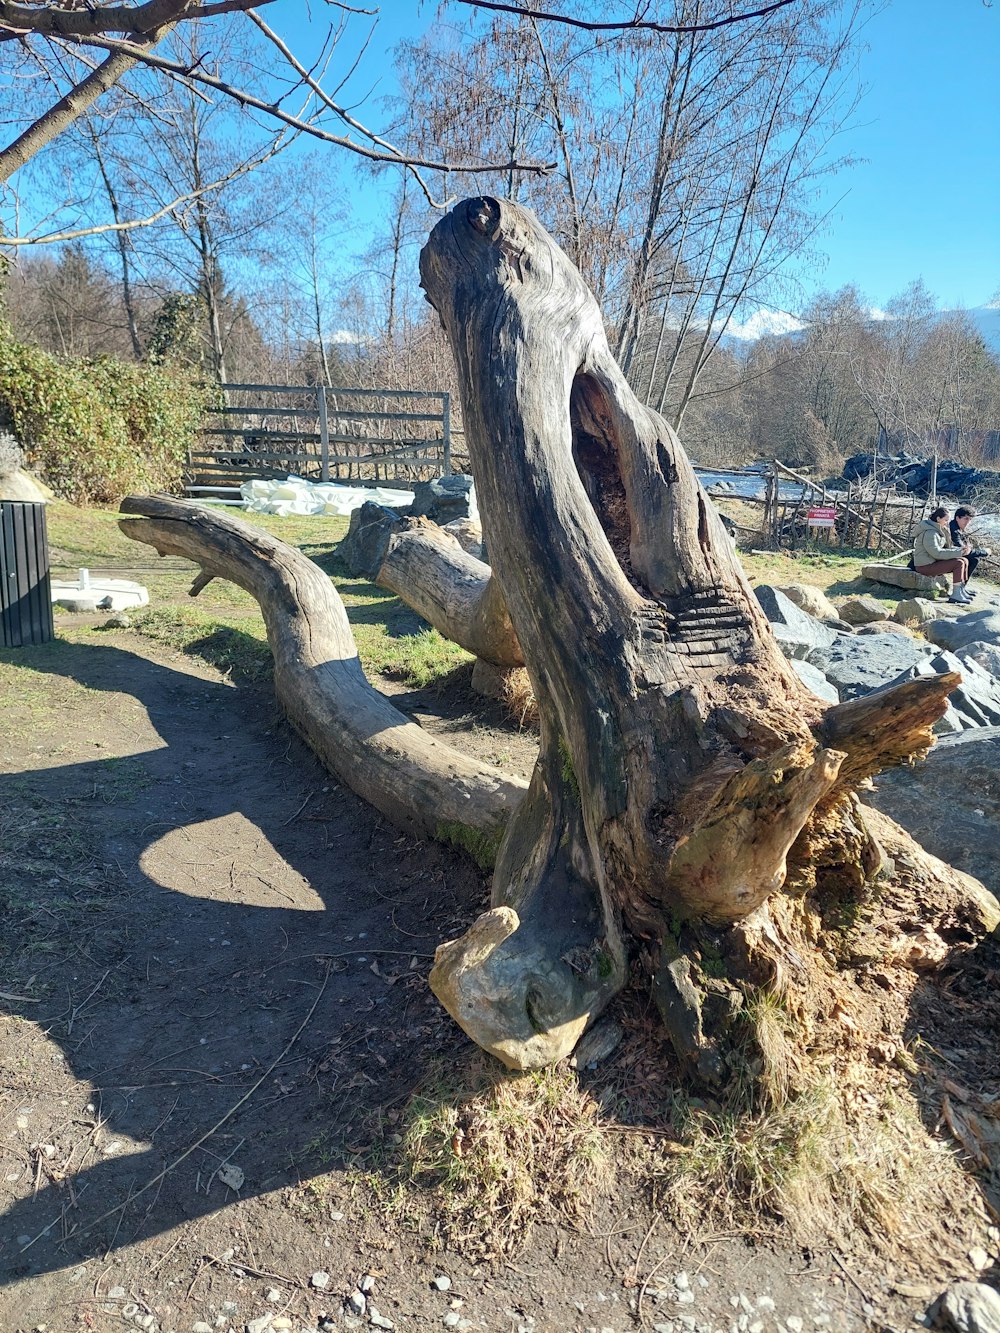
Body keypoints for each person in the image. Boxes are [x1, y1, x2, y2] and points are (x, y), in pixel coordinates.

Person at [912, 506, 973, 604]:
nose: (947, 522)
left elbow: (945, 548)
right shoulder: (930, 532)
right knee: (958, 563)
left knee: (964, 560)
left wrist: (961, 550)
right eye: (946, 520)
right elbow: (936, 553)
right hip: (924, 566)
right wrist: (959, 552)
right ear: (938, 519)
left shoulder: (938, 531)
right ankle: (956, 595)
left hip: (931, 562)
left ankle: (960, 590)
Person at [949, 505, 991, 588]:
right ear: (957, 518)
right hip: (940, 556)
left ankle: (962, 587)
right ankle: (959, 589)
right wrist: (984, 552)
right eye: (966, 518)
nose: (968, 522)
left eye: (970, 519)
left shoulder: (956, 527)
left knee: (974, 559)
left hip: (947, 553)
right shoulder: (953, 530)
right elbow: (963, 551)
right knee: (972, 559)